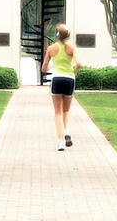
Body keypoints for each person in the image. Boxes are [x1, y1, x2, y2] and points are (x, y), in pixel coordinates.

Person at [42, 23, 82, 151]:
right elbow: (79, 63)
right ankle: (67, 131)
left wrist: (53, 66)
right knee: (66, 110)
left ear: (57, 35)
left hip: (57, 79)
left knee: (58, 112)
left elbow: (44, 68)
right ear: (68, 36)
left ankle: (60, 142)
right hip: (69, 79)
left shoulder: (51, 48)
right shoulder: (72, 48)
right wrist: (74, 71)